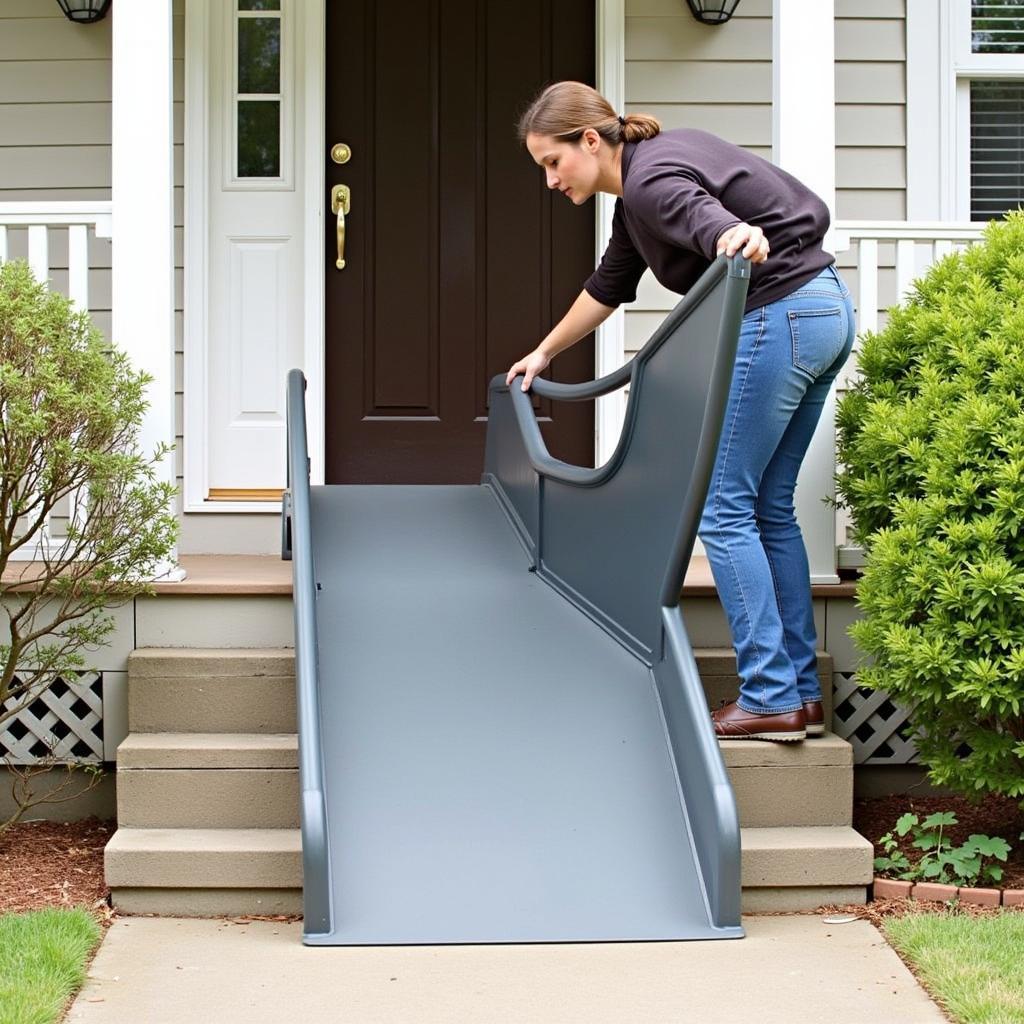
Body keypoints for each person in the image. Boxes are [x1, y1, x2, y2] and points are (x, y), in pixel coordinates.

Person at [507, 81, 855, 742]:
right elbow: (608, 286)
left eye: (553, 162)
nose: (550, 180)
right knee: (766, 505)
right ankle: (801, 695)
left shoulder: (652, 183)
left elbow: (710, 221)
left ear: (589, 139)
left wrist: (736, 236)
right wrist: (544, 352)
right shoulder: (639, 196)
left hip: (778, 316)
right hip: (823, 309)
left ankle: (770, 695)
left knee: (724, 505)